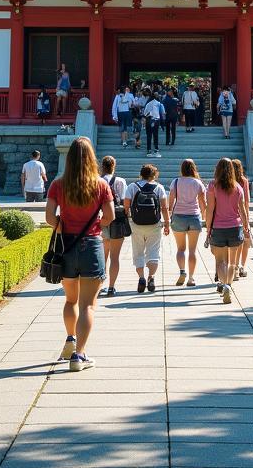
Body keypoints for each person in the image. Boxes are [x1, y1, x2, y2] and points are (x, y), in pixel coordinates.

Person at [45, 137, 114, 372]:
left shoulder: (58, 184)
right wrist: (96, 223)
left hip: (66, 245)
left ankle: (70, 339)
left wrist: (61, 226)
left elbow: (49, 218)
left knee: (71, 300)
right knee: (88, 305)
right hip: (92, 245)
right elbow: (110, 217)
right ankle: (80, 355)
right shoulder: (101, 185)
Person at [206, 156, 250, 304]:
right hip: (235, 227)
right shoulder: (238, 187)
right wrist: (246, 227)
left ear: (217, 169)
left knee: (220, 262)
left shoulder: (213, 185)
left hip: (218, 228)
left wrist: (207, 229)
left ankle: (224, 285)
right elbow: (242, 210)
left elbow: (210, 209)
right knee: (232, 262)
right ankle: (228, 286)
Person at [124, 164, 170, 293]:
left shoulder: (132, 187)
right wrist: (166, 223)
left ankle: (141, 278)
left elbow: (126, 206)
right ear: (154, 175)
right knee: (154, 252)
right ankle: (151, 277)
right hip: (154, 225)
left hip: (136, 224)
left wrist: (128, 219)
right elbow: (164, 208)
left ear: (141, 174)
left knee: (138, 252)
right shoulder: (159, 187)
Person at [168, 159, 207, 287]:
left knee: (180, 248)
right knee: (192, 250)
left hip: (178, 216)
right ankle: (191, 278)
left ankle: (182, 271)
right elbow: (203, 203)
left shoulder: (176, 182)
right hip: (194, 217)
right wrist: (205, 216)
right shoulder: (198, 183)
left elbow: (171, 200)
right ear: (193, 168)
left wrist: (169, 214)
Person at [99, 155, 130, 297]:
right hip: (118, 219)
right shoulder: (121, 181)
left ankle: (99, 285)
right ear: (114, 166)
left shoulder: (98, 181)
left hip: (103, 218)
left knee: (102, 256)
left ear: (102, 166)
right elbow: (124, 202)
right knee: (115, 257)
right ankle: (111, 287)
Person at [231, 158, 252, 278]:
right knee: (245, 243)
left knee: (236, 244)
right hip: (242, 213)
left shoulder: (228, 181)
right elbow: (247, 202)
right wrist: (247, 220)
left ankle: (235, 266)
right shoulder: (244, 181)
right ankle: (242, 266)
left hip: (232, 214)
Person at [143, 91, 164, 158]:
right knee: (155, 135)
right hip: (156, 120)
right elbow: (162, 112)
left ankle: (149, 150)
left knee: (149, 135)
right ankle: (156, 150)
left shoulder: (148, 103)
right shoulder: (159, 103)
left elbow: (145, 113)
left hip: (149, 120)